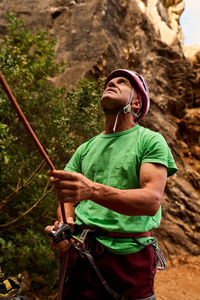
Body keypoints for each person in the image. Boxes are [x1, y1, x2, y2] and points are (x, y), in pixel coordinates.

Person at [45, 69, 178, 300]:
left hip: (129, 259)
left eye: (122, 82)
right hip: (81, 253)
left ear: (136, 103)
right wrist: (65, 225)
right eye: (109, 82)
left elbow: (151, 201)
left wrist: (91, 190)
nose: (112, 83)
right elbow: (66, 196)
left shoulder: (150, 140)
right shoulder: (85, 148)